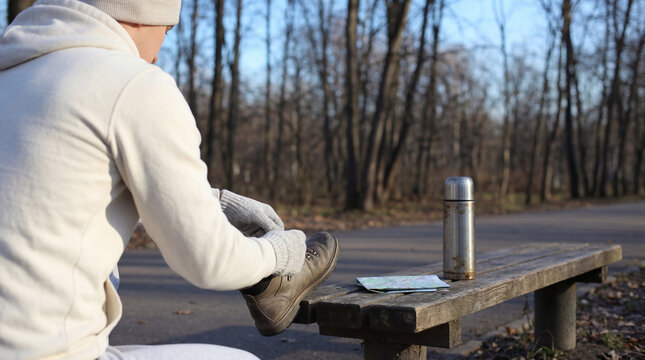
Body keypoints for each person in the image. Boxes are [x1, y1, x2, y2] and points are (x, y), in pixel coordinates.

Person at [0, 0, 339, 359]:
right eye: (168, 29)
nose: (160, 52)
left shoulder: (13, 73)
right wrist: (280, 254)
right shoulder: (133, 84)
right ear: (142, 15)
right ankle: (272, 287)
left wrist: (213, 203)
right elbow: (210, 261)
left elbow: (51, 191)